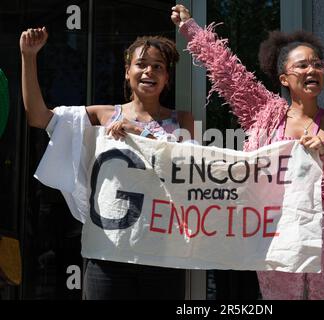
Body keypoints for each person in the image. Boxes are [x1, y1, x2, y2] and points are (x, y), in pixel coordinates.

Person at [171, 4, 324, 299]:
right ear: (284, 78)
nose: (313, 70)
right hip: (277, 234)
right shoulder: (264, 114)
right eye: (303, 65)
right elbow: (230, 74)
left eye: (318, 64)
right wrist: (192, 29)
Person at [20, 26, 194, 299]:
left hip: (163, 254)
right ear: (127, 72)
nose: (149, 71)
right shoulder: (104, 115)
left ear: (167, 78)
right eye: (141, 64)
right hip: (108, 253)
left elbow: (184, 167)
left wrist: (140, 132)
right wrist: (28, 57)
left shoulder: (182, 120)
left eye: (158, 66)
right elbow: (39, 117)